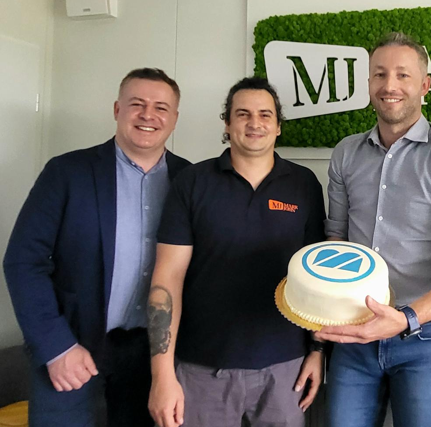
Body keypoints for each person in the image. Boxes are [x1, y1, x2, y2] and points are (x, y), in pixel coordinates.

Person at [315, 32, 431, 427]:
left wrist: (408, 318)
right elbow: (337, 240)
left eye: (402, 75)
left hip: (425, 340)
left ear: (425, 85)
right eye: (379, 74)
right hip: (353, 334)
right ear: (368, 85)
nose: (389, 85)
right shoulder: (346, 153)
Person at [3, 68, 190, 426]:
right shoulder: (66, 172)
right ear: (117, 109)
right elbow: (23, 261)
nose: (148, 115)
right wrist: (55, 346)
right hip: (72, 347)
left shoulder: (191, 180)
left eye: (161, 107)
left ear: (175, 119)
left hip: (152, 356)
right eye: (137, 104)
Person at [147, 76, 326, 427]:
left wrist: (318, 352)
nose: (254, 123)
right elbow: (167, 278)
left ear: (278, 127)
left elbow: (316, 276)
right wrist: (162, 374)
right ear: (227, 124)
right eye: (242, 114)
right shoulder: (192, 183)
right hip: (201, 369)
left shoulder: (304, 184)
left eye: (265, 115)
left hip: (285, 369)